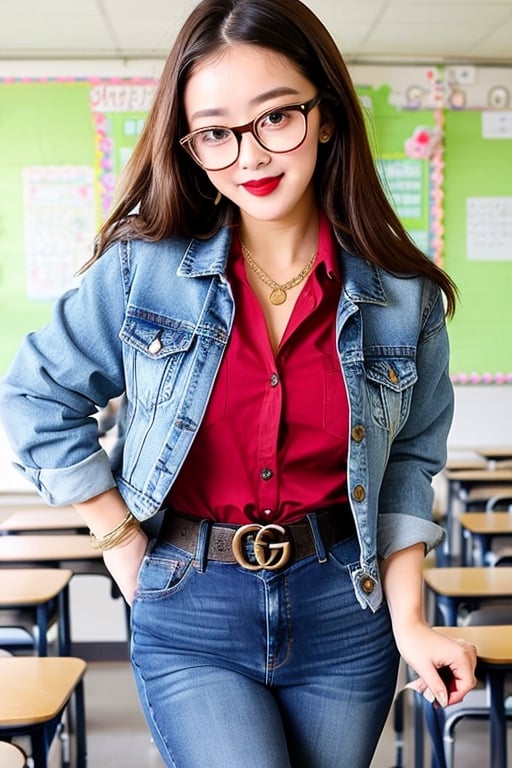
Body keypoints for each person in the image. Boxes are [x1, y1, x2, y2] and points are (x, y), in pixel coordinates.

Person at [0, 0, 477, 765]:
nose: (249, 155)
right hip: (192, 609)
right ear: (189, 145)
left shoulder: (404, 296)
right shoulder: (140, 268)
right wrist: (126, 550)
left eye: (275, 118)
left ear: (325, 117)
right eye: (216, 132)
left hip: (344, 613)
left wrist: (412, 620)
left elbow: (410, 465)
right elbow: (34, 397)